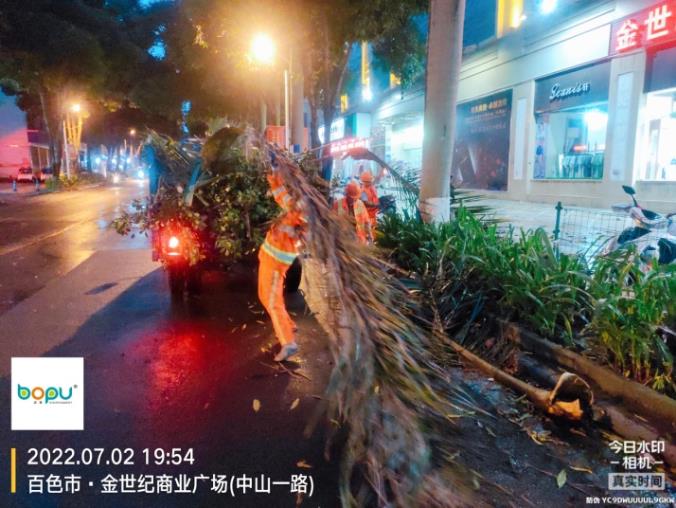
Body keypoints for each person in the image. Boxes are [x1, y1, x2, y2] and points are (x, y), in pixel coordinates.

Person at [258, 154, 305, 362]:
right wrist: (273, 170)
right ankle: (289, 326)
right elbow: (280, 194)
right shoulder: (296, 204)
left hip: (277, 261)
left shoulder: (304, 210)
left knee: (272, 300)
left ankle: (288, 343)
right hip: (271, 256)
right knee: (265, 295)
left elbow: (298, 219)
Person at [333, 181, 372, 245]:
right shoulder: (338, 204)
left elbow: (366, 222)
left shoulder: (360, 204)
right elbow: (332, 222)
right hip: (343, 240)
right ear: (347, 195)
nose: (354, 200)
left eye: (356, 198)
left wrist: (370, 237)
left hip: (359, 240)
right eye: (352, 198)